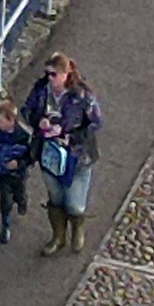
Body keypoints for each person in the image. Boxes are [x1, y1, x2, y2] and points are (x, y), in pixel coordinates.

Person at [32, 53, 101, 254]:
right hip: (49, 155)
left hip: (77, 157)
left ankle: (78, 226)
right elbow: (28, 110)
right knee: (56, 199)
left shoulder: (82, 96)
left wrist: (68, 136)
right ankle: (58, 237)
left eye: (53, 74)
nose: (49, 78)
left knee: (75, 205)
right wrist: (39, 121)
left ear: (65, 74)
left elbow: (95, 124)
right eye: (47, 74)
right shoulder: (41, 90)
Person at [0, 81, 43, 244]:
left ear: (11, 120)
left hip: (18, 173)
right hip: (2, 173)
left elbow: (32, 156)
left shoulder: (23, 135)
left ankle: (22, 201)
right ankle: (5, 226)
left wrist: (19, 164)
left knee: (19, 193)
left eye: (1, 121)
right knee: (5, 200)